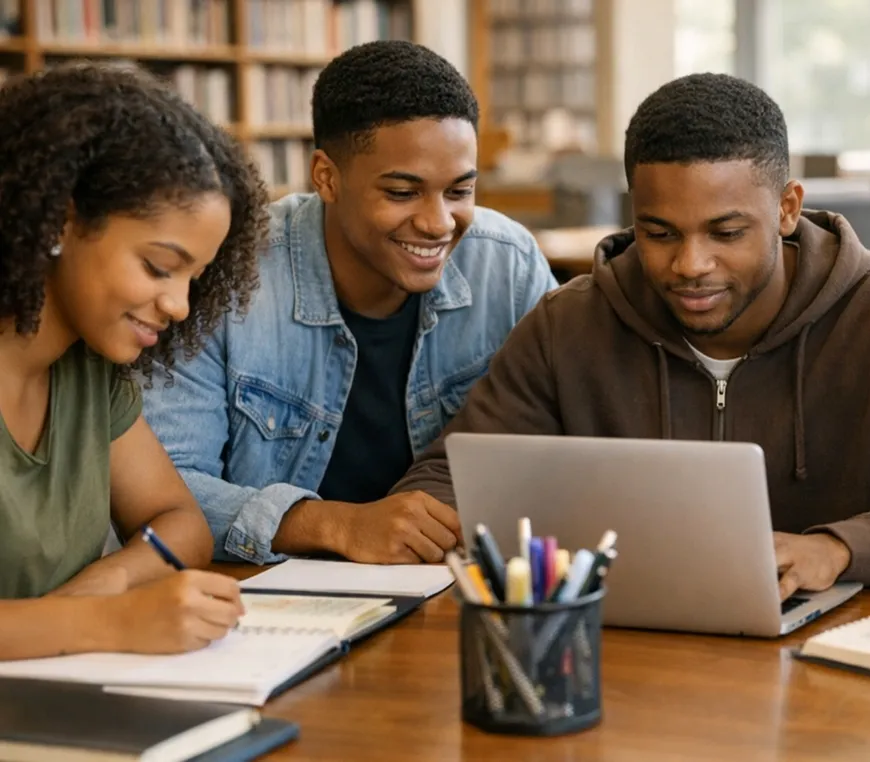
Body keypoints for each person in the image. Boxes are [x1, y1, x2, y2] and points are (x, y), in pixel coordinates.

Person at [394, 73, 870, 599]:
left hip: (829, 666)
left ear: (786, 209)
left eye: (726, 233)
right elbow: (454, 479)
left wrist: (839, 548)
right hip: (626, 653)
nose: (690, 264)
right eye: (660, 232)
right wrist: (415, 519)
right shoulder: (569, 325)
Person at [143, 41, 558, 567]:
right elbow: (163, 487)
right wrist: (336, 525)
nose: (438, 223)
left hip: (458, 588)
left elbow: (564, 440)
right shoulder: (227, 272)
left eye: (459, 191)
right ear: (326, 177)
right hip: (275, 605)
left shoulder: (510, 265)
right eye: (403, 193)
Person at [0, 63, 266, 659]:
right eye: (157, 266)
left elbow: (182, 524)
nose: (178, 305)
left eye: (195, 278)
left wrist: (108, 580)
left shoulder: (88, 373)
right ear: (62, 220)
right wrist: (107, 622)